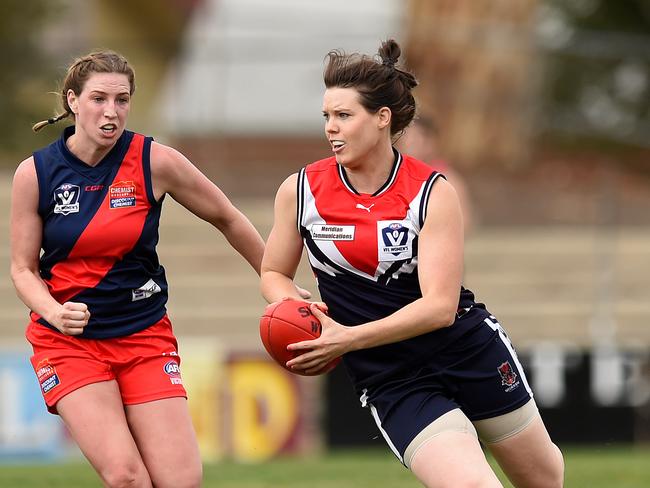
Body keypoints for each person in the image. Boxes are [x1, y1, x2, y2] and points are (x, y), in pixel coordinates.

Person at [260, 40, 564, 488]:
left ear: (383, 118)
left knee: (544, 478)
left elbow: (439, 307)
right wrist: (296, 311)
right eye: (327, 116)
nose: (331, 128)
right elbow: (273, 273)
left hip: (467, 351)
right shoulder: (300, 190)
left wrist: (346, 339)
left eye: (344, 116)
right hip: (392, 377)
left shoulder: (432, 191)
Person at [10, 50, 273, 488]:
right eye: (98, 99)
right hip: (69, 344)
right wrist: (55, 313)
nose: (111, 111)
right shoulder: (35, 174)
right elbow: (22, 269)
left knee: (182, 481)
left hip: (144, 334)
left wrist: (275, 281)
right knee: (127, 477)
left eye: (122, 99)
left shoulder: (155, 161)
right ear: (72, 101)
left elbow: (227, 216)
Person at [396, 114, 475, 234]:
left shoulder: (446, 179)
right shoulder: (395, 175)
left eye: (416, 139)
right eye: (405, 137)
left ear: (431, 142)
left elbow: (464, 224)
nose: (409, 144)